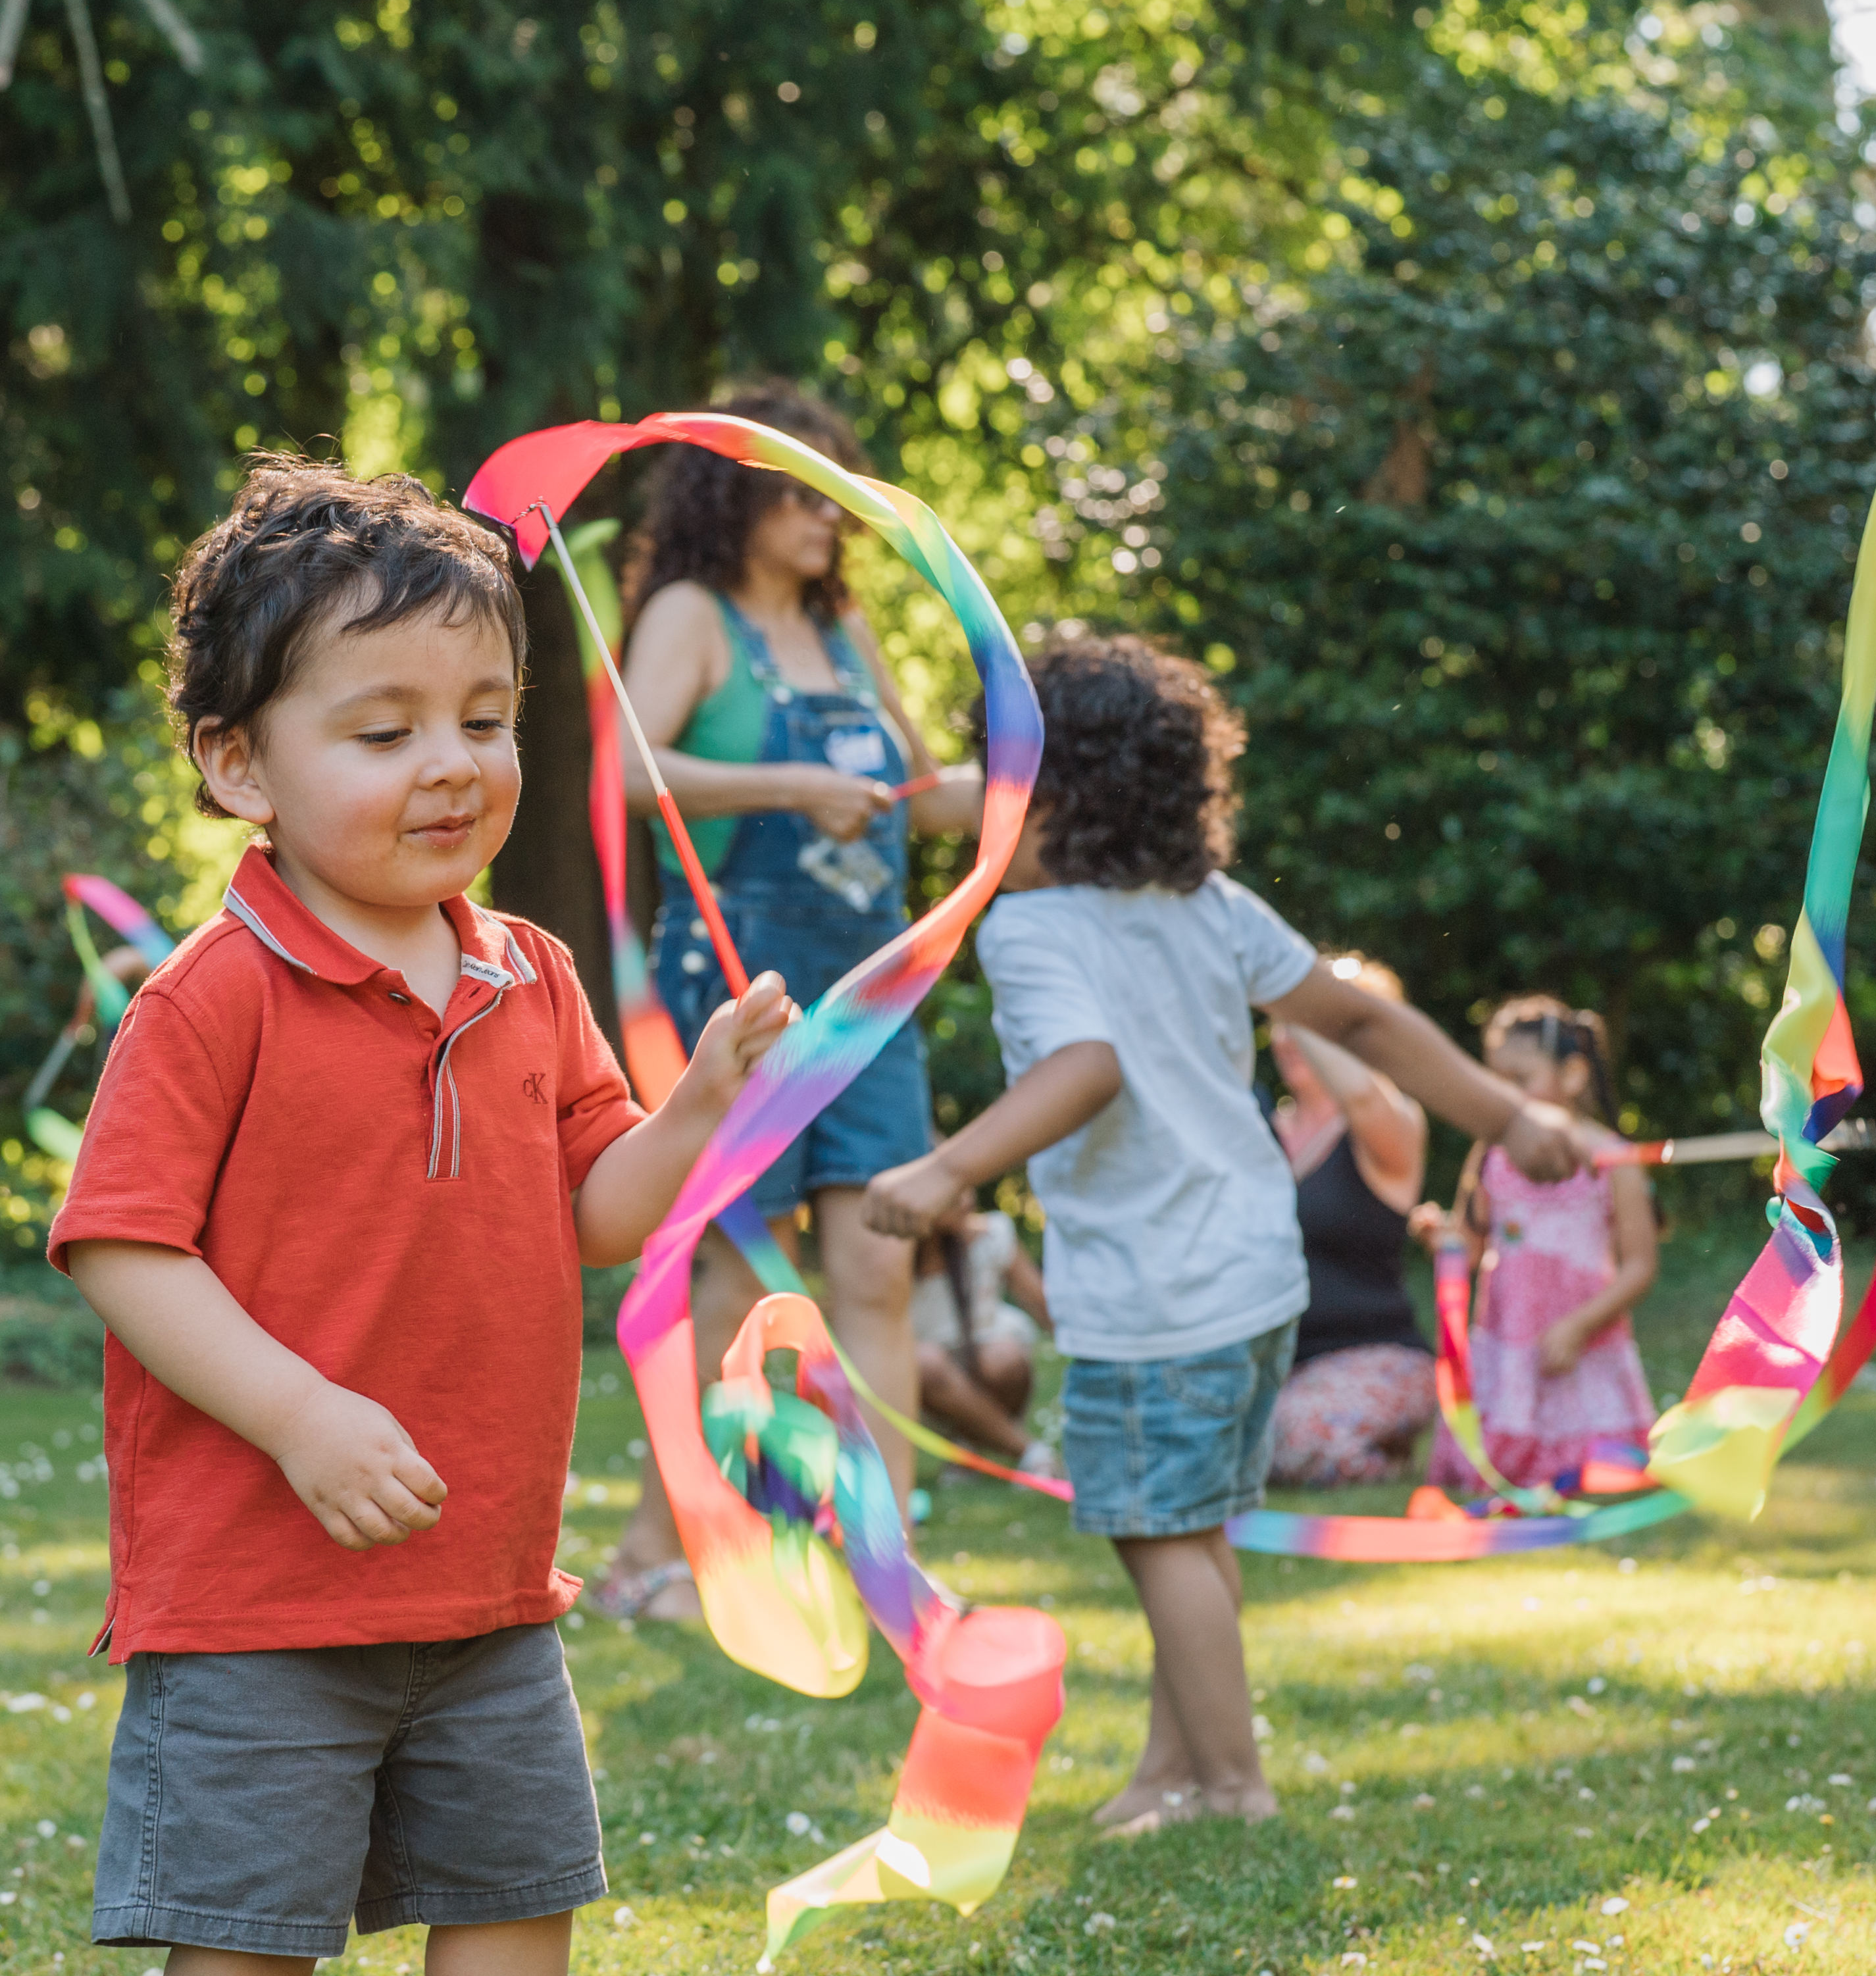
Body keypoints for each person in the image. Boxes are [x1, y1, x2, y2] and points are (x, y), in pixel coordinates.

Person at [55, 463, 791, 1976]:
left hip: (485, 1570)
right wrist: (301, 1414)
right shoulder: (213, 1000)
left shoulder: (528, 974)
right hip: (259, 1585)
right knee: (252, 1923)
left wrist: (697, 1100)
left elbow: (599, 1215)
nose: (450, 761)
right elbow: (123, 1250)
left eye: (487, 718)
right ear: (241, 766)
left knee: (517, 1882)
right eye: (383, 727)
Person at [863, 634, 1581, 1834]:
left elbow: (1084, 1071)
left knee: (1158, 1542)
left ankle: (1237, 1786)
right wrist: (1509, 1115)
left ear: (1048, 793)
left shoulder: (1032, 930)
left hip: (1157, 1295)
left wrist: (947, 1168)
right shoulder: (1208, 904)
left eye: (999, 775)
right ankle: (1175, 1772)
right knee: (1192, 1533)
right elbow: (1362, 1017)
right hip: (1255, 1279)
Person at [584, 384, 981, 1621]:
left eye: (838, 497)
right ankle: (674, 1549)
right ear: (735, 493)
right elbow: (633, 771)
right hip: (742, 983)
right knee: (733, 1274)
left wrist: (1024, 781)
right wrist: (792, 782)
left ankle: (884, 1563)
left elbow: (915, 796)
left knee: (878, 1267)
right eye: (807, 493)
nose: (831, 519)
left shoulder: (844, 627)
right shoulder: (692, 617)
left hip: (869, 992)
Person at [1427, 997, 1656, 1494]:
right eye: (1497, 1083)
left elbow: (1639, 1267)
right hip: (1510, 1340)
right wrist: (1439, 1238)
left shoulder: (1612, 1159)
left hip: (1583, 1342)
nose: (1506, 1097)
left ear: (1572, 1076)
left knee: (1604, 1473)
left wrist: (1578, 1328)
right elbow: (1467, 1244)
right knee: (1500, 1477)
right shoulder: (1491, 1154)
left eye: (1521, 1080)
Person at [1265, 953, 1440, 1488]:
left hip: (1374, 1355)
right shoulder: (1255, 1127)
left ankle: (1376, 1453)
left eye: (1317, 1021)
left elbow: (1362, 1095)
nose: (1293, 1037)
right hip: (1273, 1364)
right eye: (1284, 1022)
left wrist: (1285, 990)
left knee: (1292, 1435)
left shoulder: (1390, 1124)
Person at [910, 1198, 1050, 1469]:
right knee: (924, 1361)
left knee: (1005, 1359)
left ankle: (971, 1449)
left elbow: (1044, 1306)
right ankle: (1029, 1453)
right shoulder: (895, 1253)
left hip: (985, 1356)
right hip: (928, 1374)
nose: (967, 1201)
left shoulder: (991, 1234)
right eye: (955, 1193)